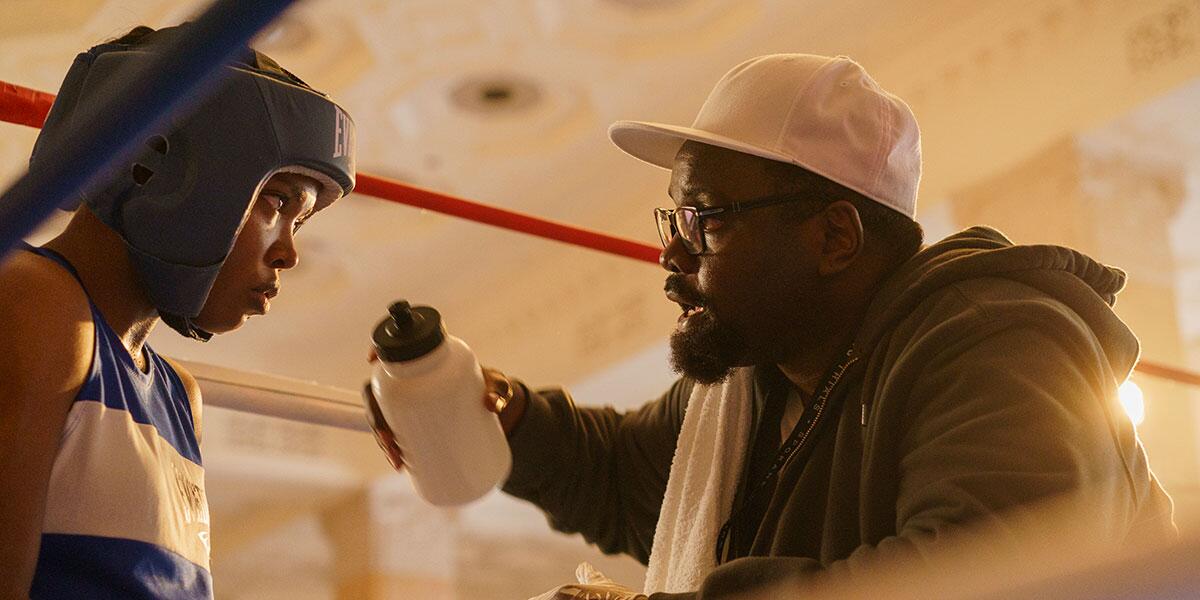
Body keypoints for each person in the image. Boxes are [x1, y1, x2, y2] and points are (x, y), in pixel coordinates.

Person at [365, 54, 1175, 598]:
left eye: (706, 218)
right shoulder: (752, 391)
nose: (672, 254)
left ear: (833, 237)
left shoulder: (999, 342)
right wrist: (487, 409)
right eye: (674, 218)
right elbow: (619, 477)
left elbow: (975, 574)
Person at [0, 24, 355, 599]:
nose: (290, 252)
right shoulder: (37, 303)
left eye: (301, 222)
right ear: (161, 167)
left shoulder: (176, 392)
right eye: (278, 202)